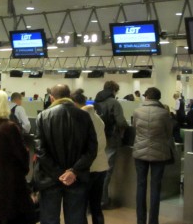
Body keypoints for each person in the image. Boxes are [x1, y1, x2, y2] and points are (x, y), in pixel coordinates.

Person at [34, 84, 97, 224]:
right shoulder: (84, 116)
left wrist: (58, 174)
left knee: (49, 219)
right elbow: (92, 149)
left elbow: (40, 151)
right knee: (76, 219)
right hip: (77, 179)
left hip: (49, 179)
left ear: (51, 98)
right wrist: (73, 171)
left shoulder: (43, 116)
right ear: (69, 96)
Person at [0, 90, 36, 224]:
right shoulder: (10, 127)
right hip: (9, 178)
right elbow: (21, 154)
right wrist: (25, 170)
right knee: (9, 214)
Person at [132, 87, 173, 224]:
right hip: (159, 154)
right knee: (156, 187)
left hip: (140, 153)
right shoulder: (164, 113)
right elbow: (168, 133)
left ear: (147, 97)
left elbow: (135, 128)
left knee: (141, 186)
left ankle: (140, 220)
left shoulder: (137, 112)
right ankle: (153, 221)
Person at [72, 89, 108, 224]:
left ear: (75, 103)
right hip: (101, 166)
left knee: (81, 206)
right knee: (96, 206)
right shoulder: (97, 118)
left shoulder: (79, 119)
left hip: (87, 167)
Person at [94, 80, 128, 209]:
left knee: (97, 169)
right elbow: (121, 122)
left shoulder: (96, 102)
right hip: (111, 139)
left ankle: (95, 198)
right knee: (106, 171)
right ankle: (102, 200)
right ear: (114, 90)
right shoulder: (114, 103)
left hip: (98, 139)